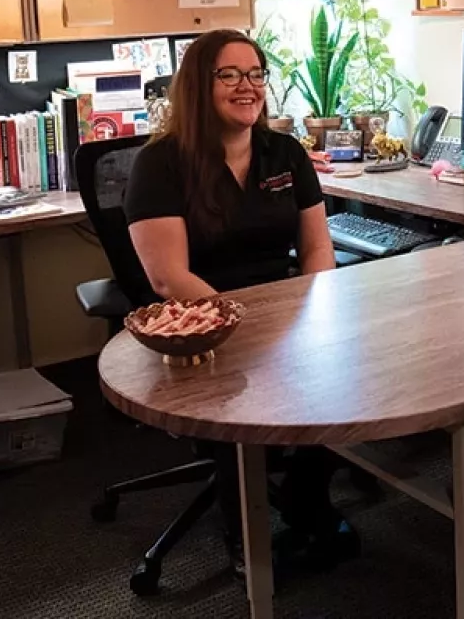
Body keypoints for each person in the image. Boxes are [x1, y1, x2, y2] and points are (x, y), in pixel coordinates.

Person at [123, 28, 357, 578]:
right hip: (199, 325)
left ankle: (306, 498)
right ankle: (244, 536)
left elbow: (317, 245)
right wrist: (241, 326)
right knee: (234, 401)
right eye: (228, 75)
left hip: (282, 308)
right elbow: (167, 277)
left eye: (255, 74)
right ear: (199, 87)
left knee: (342, 375)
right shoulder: (161, 164)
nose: (245, 86)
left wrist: (316, 309)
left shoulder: (284, 152)